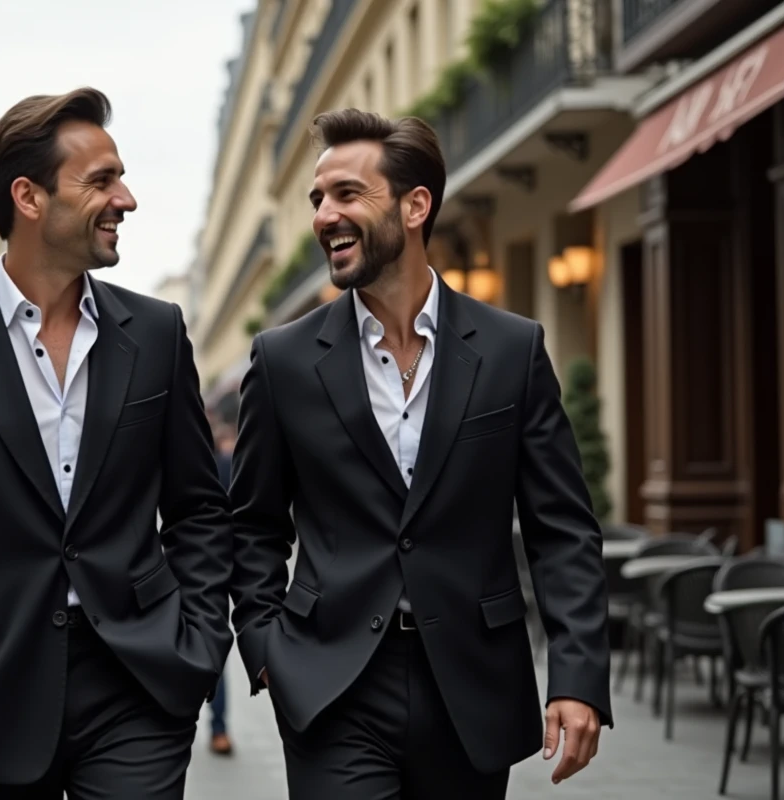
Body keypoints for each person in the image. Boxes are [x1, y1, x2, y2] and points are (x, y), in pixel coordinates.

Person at [0, 86, 232, 799]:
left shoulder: (157, 333)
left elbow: (199, 509)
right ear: (29, 198)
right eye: (101, 181)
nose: (125, 200)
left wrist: (200, 642)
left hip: (140, 684)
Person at [228, 110, 611, 800]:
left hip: (471, 682)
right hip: (332, 684)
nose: (324, 215)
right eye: (317, 198)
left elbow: (562, 530)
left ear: (415, 206)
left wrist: (578, 675)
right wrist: (265, 649)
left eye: (347, 193)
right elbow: (253, 525)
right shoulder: (283, 360)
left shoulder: (512, 350)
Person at [208, 423, 237, 756]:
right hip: (187, 567)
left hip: (218, 566)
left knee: (214, 648)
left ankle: (218, 727)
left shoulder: (225, 463)